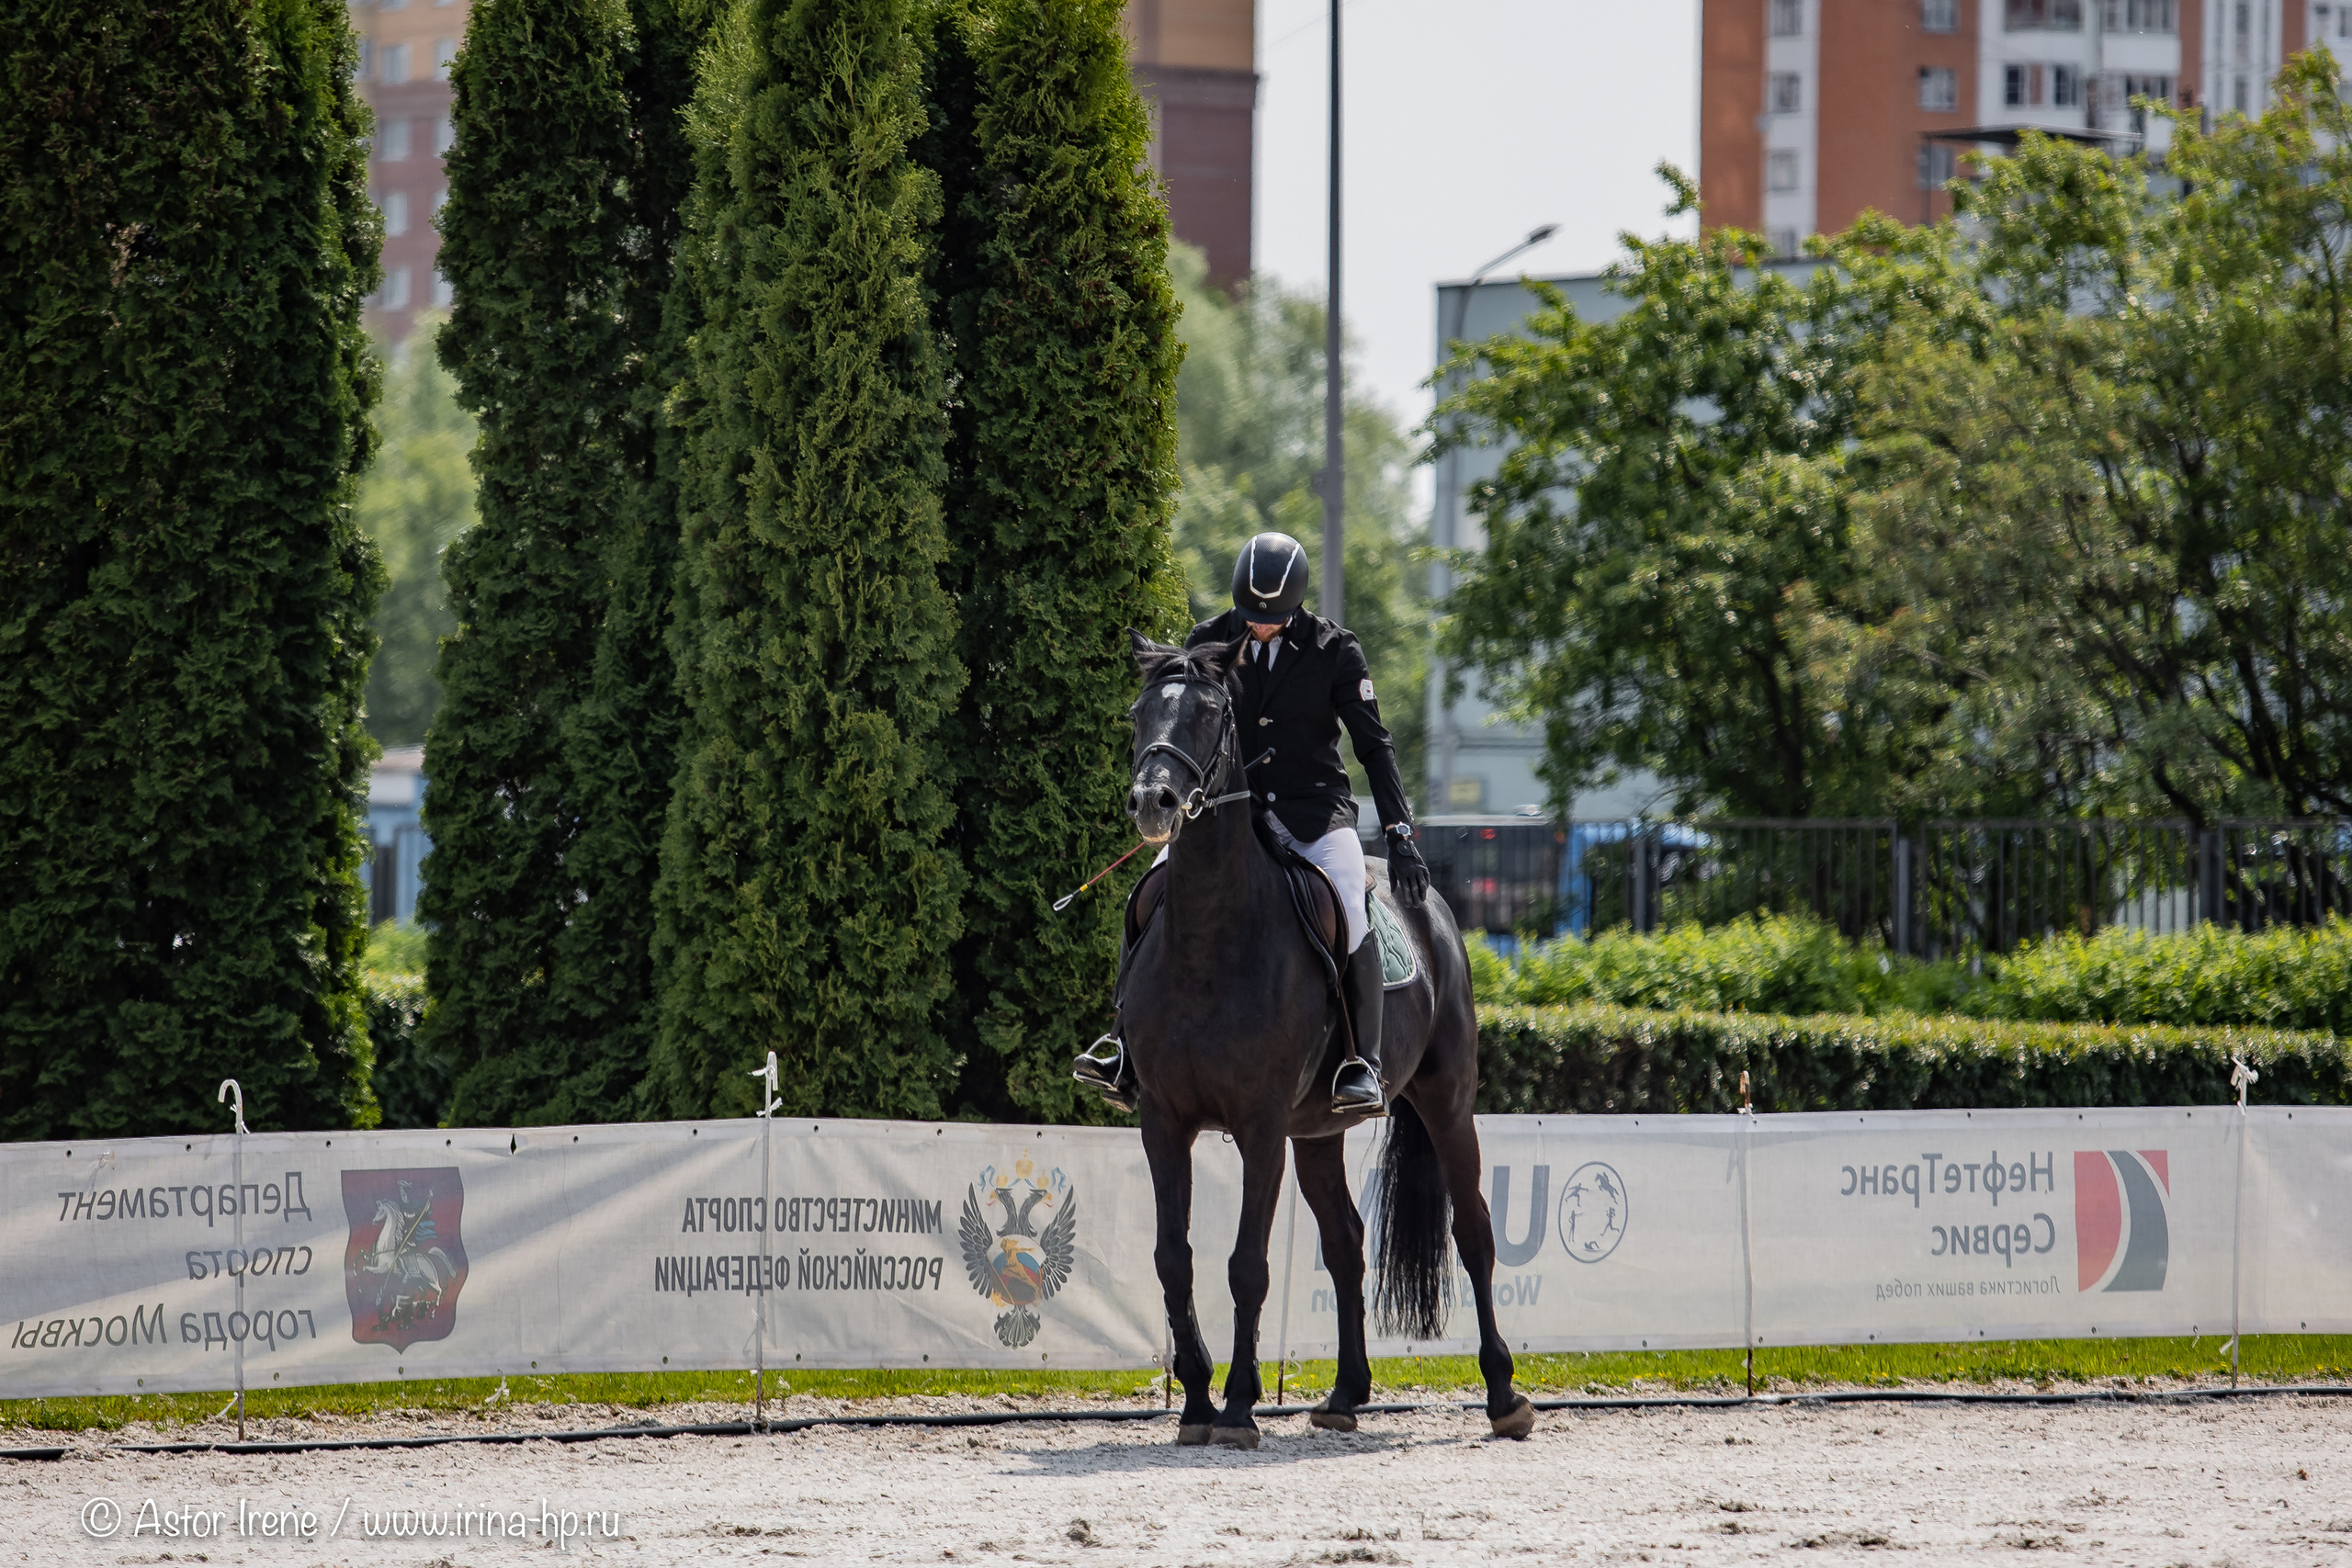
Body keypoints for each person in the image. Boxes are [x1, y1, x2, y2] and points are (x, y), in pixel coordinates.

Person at [1075, 532, 1430, 1114]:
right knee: (1151, 893)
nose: (1259, 627)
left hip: (1315, 812)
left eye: (1273, 618)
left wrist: (1400, 834)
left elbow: (1374, 747)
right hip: (1230, 815)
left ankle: (1362, 1062)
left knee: (1348, 901)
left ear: (1297, 603)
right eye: (1251, 615)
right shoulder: (1208, 639)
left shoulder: (1336, 650)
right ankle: (1123, 1046)